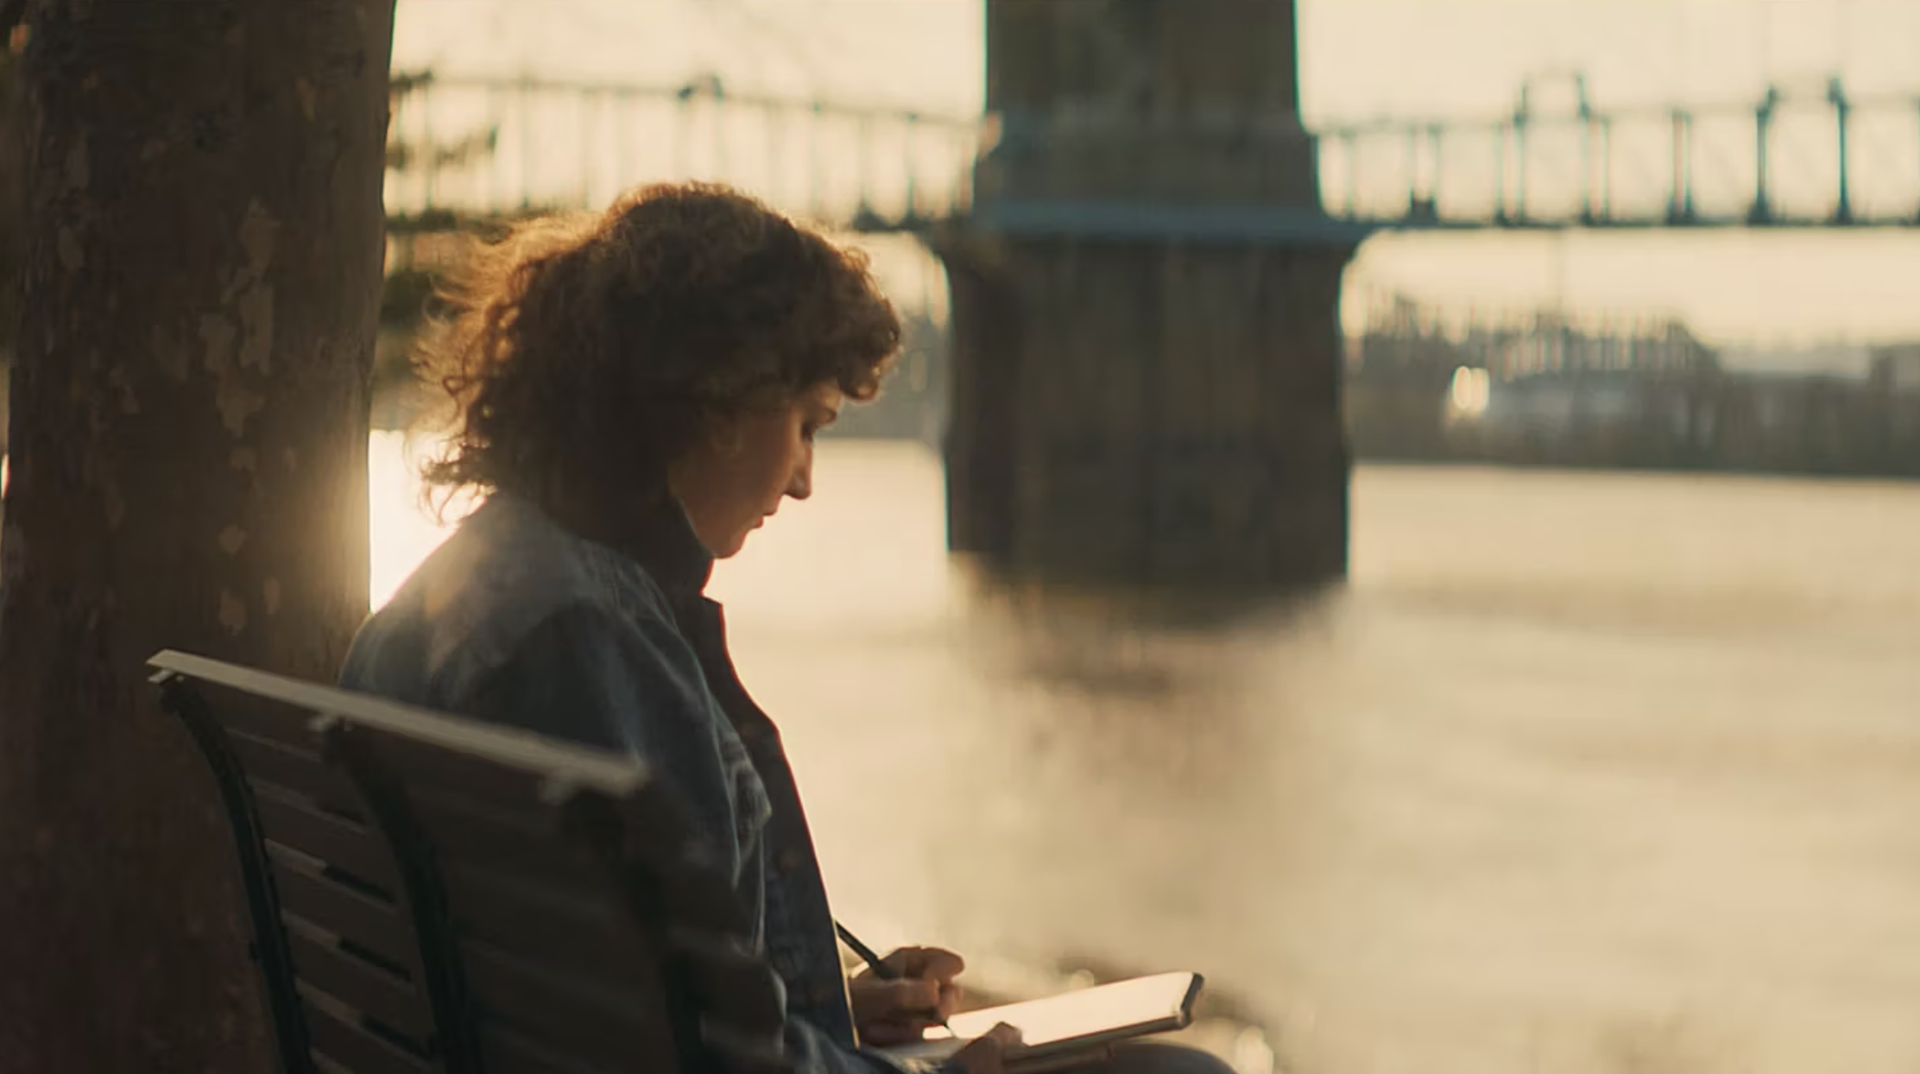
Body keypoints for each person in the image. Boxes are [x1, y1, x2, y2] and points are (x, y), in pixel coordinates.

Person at [341, 183, 1232, 1074]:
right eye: (806, 426)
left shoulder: (476, 590)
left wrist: (833, 1010)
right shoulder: (587, 643)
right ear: (716, 399)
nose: (804, 480)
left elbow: (621, 999)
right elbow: (700, 1062)